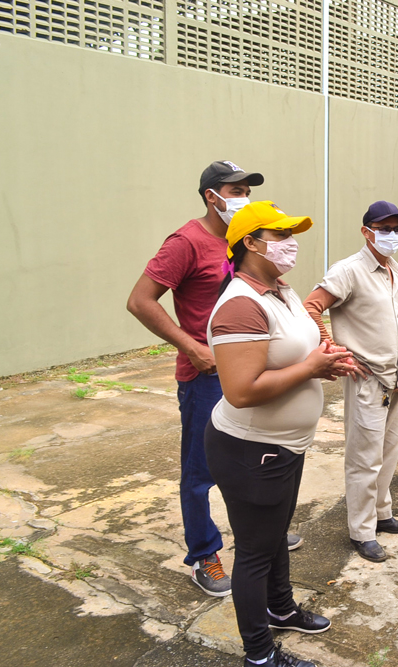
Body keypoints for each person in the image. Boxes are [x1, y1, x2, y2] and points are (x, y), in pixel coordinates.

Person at [204, 201, 349, 667]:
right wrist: (311, 366)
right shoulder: (239, 307)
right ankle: (260, 655)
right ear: (249, 243)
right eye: (281, 235)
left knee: (275, 534)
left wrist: (322, 362)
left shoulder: (280, 291)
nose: (291, 244)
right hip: (250, 449)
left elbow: (297, 352)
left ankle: (280, 607)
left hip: (285, 445)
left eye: (292, 235)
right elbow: (242, 390)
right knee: (253, 551)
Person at [128, 160, 268, 596]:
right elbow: (140, 300)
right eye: (236, 189)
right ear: (213, 196)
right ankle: (204, 554)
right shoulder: (186, 242)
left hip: (248, 369)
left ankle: (258, 535)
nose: (243, 196)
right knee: (201, 469)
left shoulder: (241, 239)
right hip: (204, 376)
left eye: (247, 189)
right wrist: (190, 346)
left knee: (253, 458)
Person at [303, 201, 398, 563]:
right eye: (384, 229)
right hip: (367, 377)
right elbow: (311, 306)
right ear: (366, 231)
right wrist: (334, 349)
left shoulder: (394, 270)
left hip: (395, 380)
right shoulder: (349, 271)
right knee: (364, 459)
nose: (392, 235)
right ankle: (362, 531)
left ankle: (382, 514)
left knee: (388, 452)